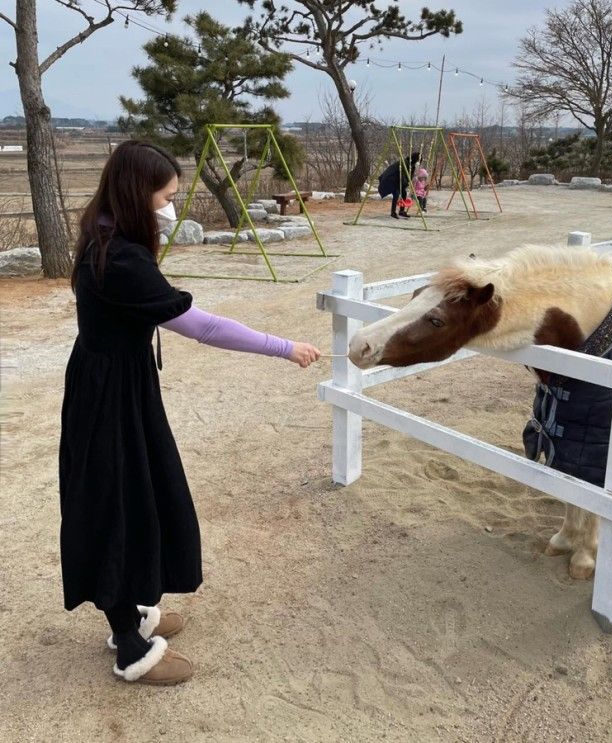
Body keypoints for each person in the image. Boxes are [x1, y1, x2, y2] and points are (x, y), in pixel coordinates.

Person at [59, 140, 321, 686]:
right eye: (165, 197)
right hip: (110, 399)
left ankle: (132, 612)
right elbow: (201, 326)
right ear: (138, 195)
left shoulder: (105, 232)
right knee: (116, 505)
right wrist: (283, 346)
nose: (169, 207)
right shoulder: (122, 259)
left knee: (140, 494)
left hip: (113, 385)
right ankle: (129, 645)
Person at [377, 151, 420, 219]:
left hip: (400, 181)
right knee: (396, 194)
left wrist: (408, 181)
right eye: (418, 160)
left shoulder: (412, 166)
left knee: (404, 193)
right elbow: (401, 174)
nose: (418, 162)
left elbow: (409, 176)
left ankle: (401, 211)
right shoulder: (403, 163)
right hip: (394, 180)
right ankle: (393, 212)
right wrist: (405, 182)